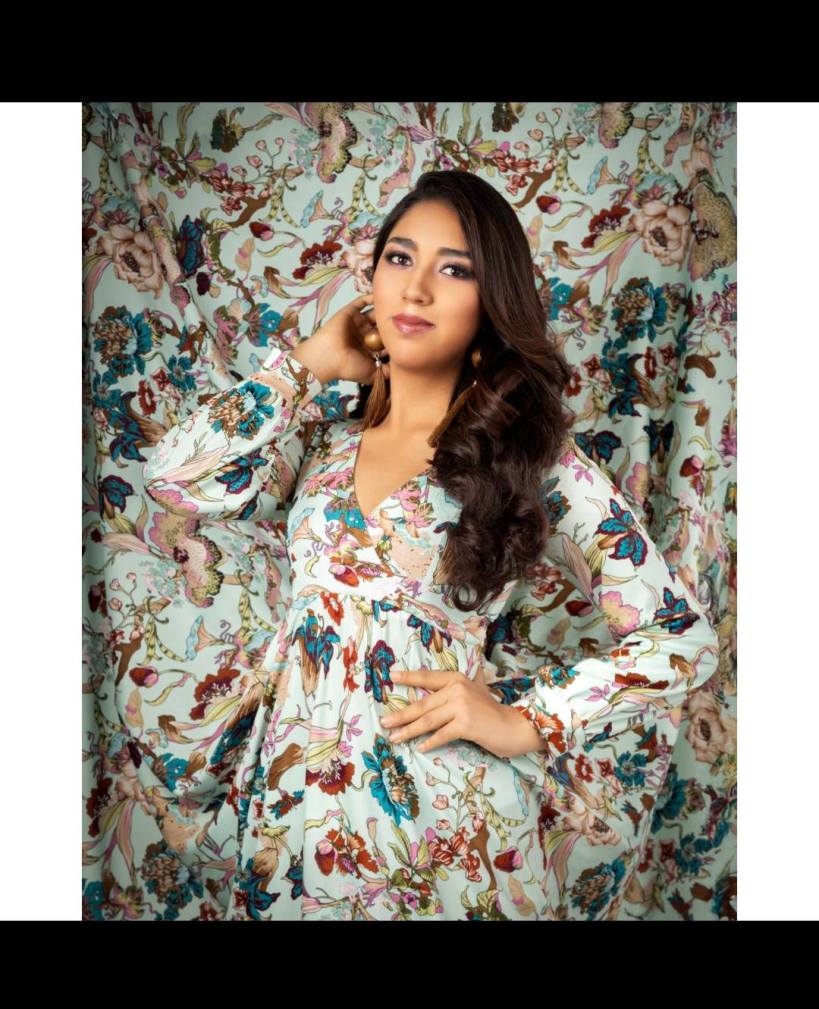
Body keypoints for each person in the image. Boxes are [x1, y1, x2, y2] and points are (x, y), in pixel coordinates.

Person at [142, 170, 719, 921]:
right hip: (296, 820)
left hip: (446, 829)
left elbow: (681, 638)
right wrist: (310, 361)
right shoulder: (318, 445)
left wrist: (525, 717)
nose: (415, 289)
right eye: (399, 258)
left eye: (454, 270)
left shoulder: (531, 459)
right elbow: (172, 478)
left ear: (490, 300)